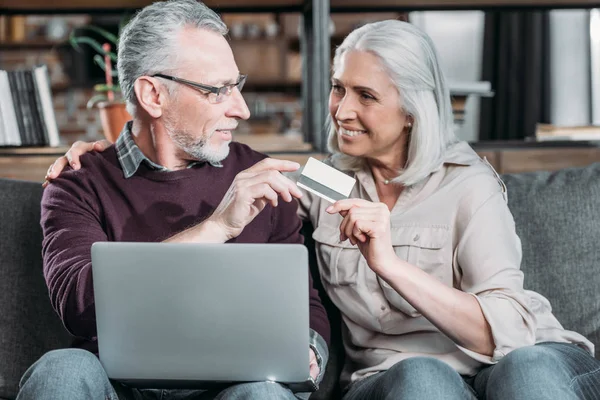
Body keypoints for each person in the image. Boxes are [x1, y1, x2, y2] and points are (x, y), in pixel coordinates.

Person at [48, 19, 600, 400]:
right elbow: (248, 183)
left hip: (514, 355)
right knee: (421, 378)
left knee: (522, 368)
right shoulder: (326, 181)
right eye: (338, 89)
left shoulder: (469, 184)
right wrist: (95, 148)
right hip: (403, 377)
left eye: (366, 96)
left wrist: (389, 264)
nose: (341, 110)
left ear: (412, 110)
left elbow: (500, 334)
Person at [20, 1, 330, 400]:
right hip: (117, 387)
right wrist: (215, 229)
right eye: (218, 90)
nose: (242, 109)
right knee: (62, 370)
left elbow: (305, 309)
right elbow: (78, 306)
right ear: (153, 95)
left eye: (237, 85)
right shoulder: (78, 182)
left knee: (264, 394)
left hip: (234, 389)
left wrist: (308, 351)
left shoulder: (263, 179)